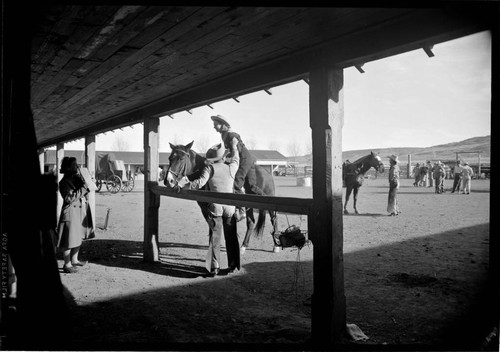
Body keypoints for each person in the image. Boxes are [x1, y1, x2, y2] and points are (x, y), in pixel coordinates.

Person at [177, 142, 241, 277]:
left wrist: (183, 184)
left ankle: (214, 267)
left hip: (215, 208)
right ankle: (233, 265)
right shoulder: (231, 167)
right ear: (223, 156)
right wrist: (234, 147)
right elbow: (236, 159)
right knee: (232, 237)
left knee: (215, 238)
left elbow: (199, 183)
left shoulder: (209, 169)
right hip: (230, 208)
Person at [211, 114, 264, 221]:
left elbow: (235, 152)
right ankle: (268, 199)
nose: (214, 127)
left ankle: (242, 210)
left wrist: (225, 159)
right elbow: (228, 151)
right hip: (245, 159)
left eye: (215, 124)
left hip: (244, 159)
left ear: (222, 124)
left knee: (236, 182)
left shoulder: (231, 135)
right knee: (252, 187)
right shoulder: (224, 135)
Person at [56, 157, 91, 273]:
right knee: (68, 240)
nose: (76, 167)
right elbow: (69, 198)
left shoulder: (77, 179)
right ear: (67, 168)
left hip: (78, 212)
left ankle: (75, 260)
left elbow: (85, 190)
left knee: (77, 237)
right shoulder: (63, 183)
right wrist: (83, 189)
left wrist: (87, 182)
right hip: (70, 213)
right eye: (74, 165)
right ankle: (67, 264)